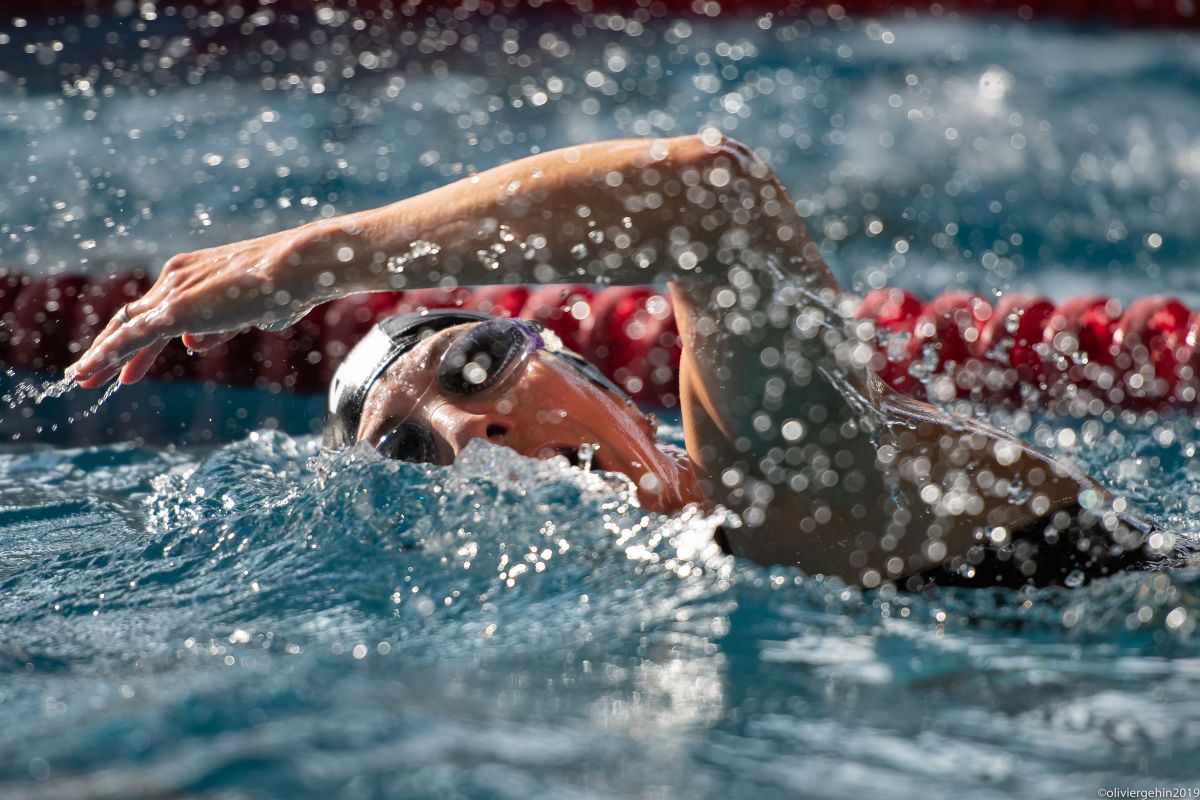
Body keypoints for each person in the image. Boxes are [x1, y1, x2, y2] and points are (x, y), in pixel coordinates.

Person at [66, 133, 1182, 589]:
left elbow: (709, 195)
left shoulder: (772, 494)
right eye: (412, 447)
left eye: (473, 370)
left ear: (594, 371)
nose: (468, 431)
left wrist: (323, 257)